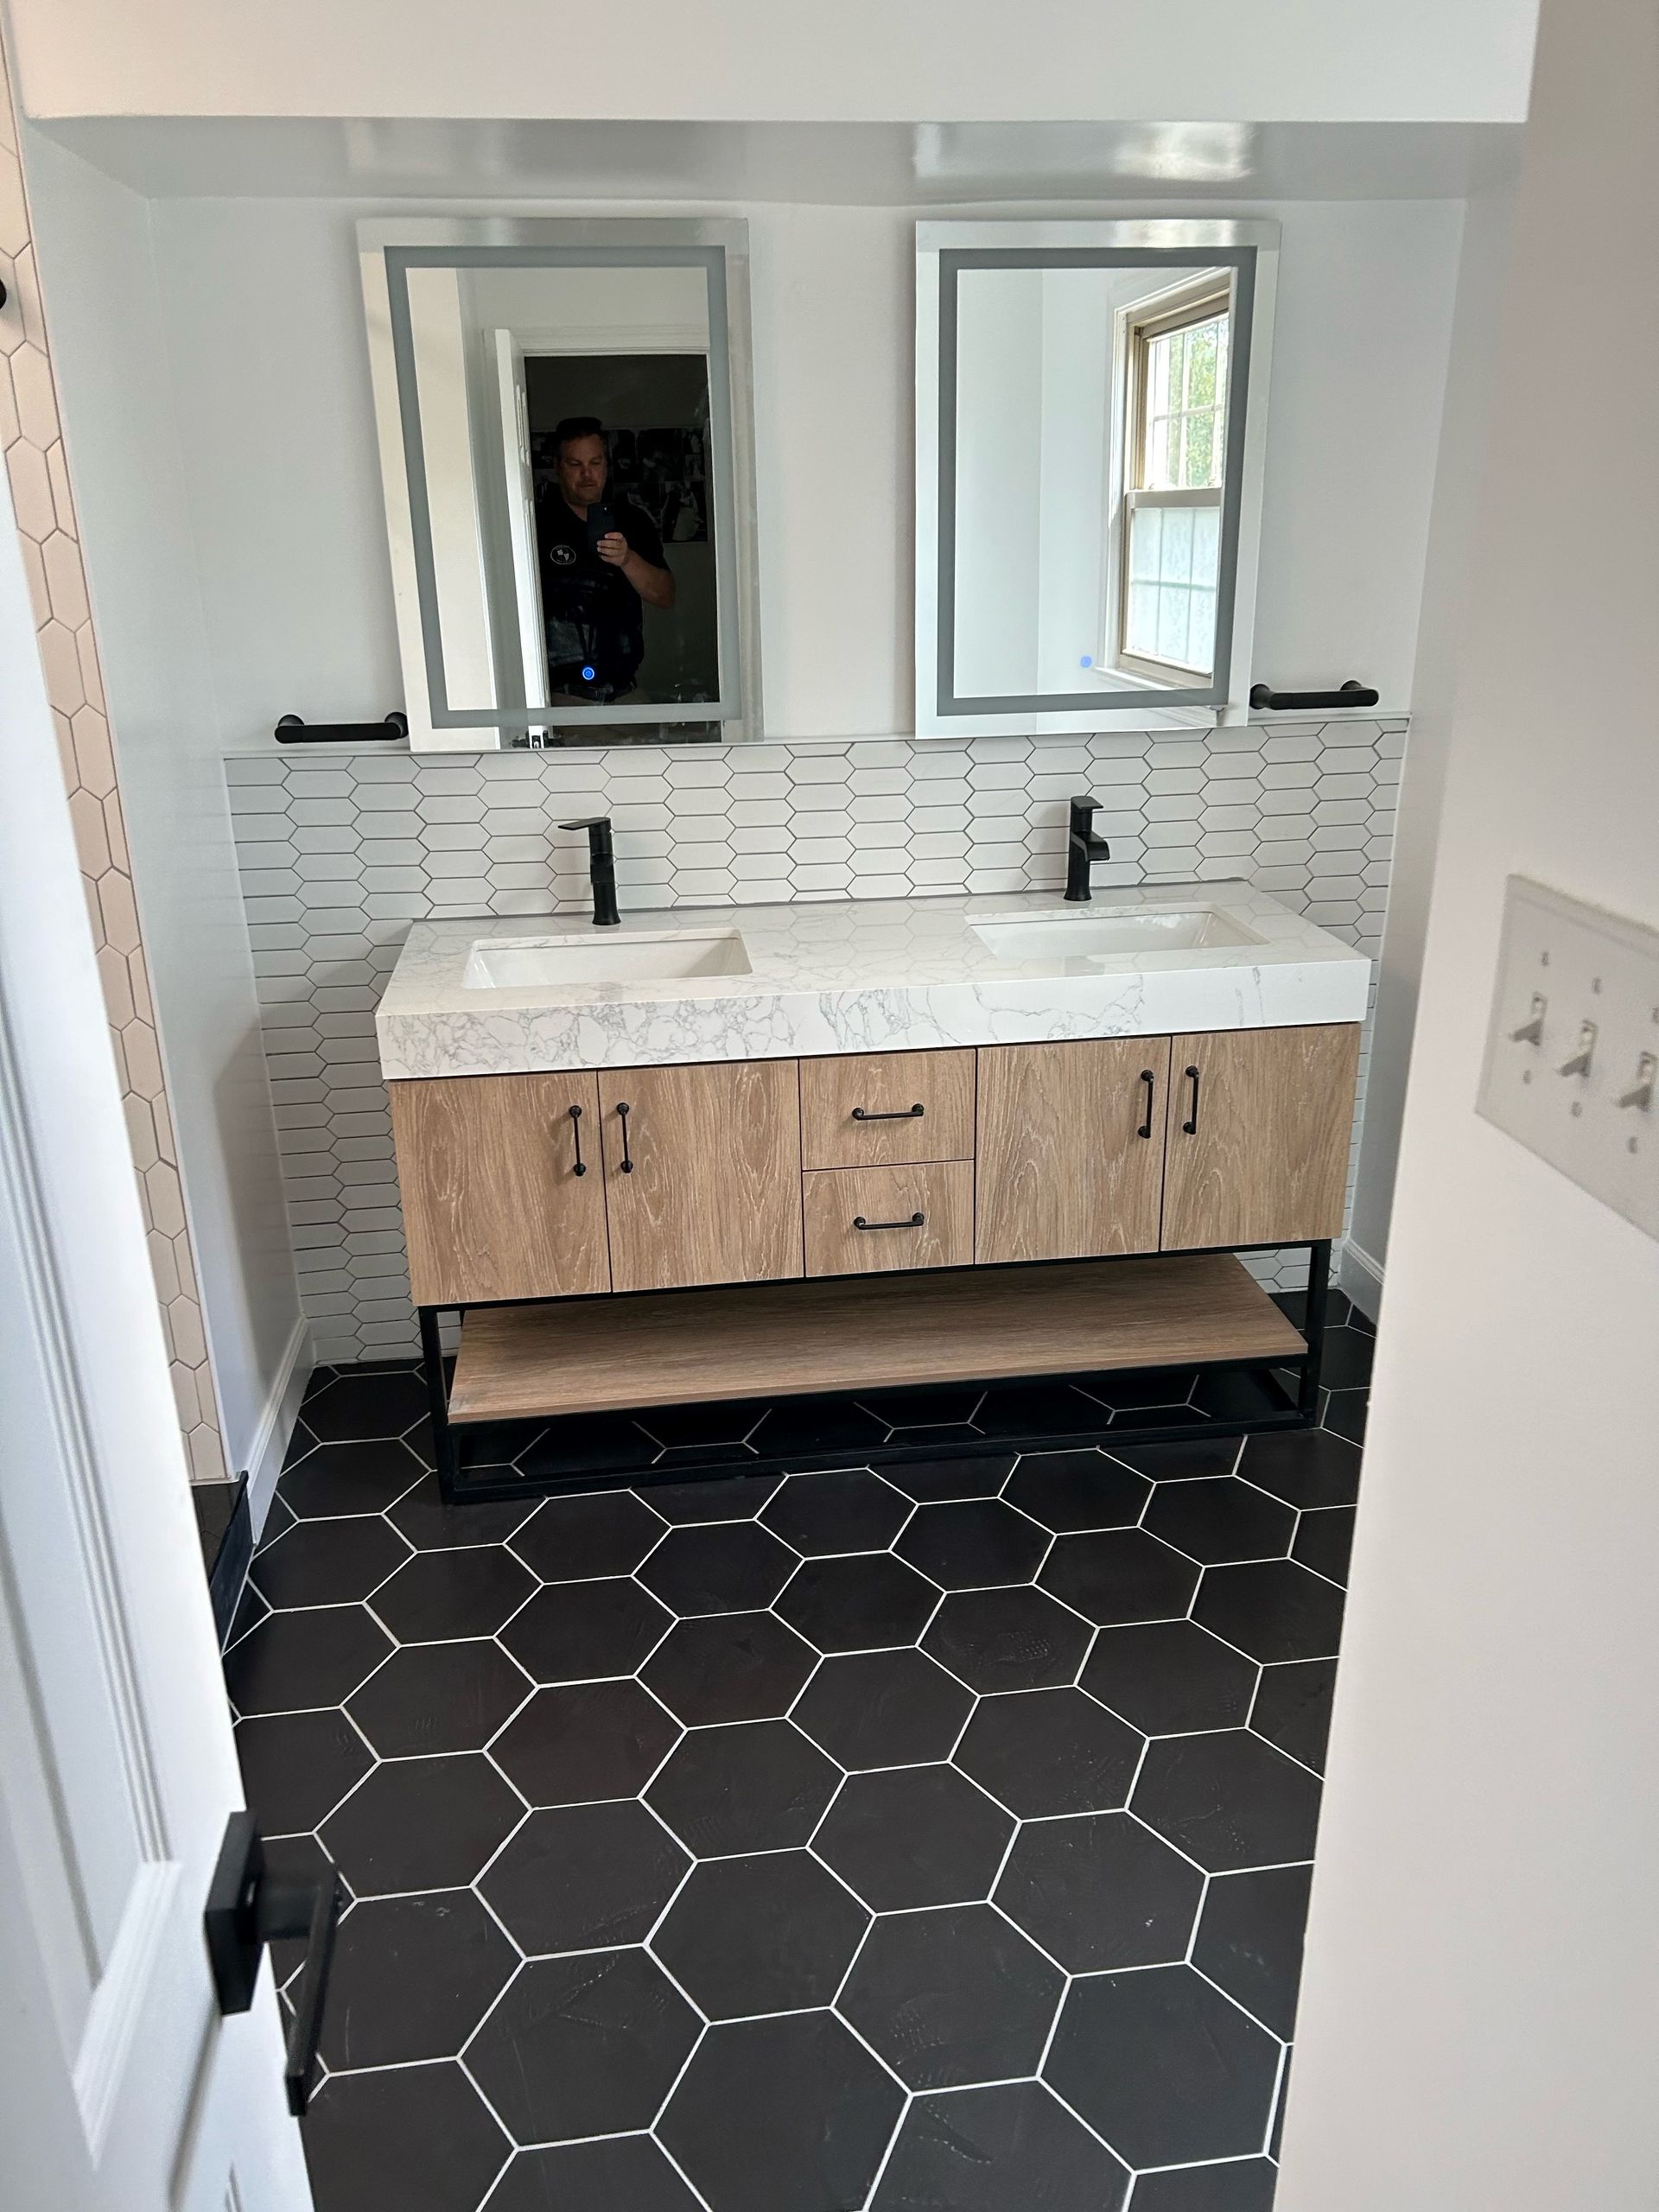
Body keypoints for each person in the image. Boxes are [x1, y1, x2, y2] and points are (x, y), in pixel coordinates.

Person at [537, 416, 676, 703]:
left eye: (596, 463)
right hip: (560, 696)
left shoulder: (632, 520)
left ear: (606, 465)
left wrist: (627, 559)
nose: (587, 474)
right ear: (557, 467)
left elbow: (665, 596)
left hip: (625, 691)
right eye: (576, 465)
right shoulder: (537, 523)